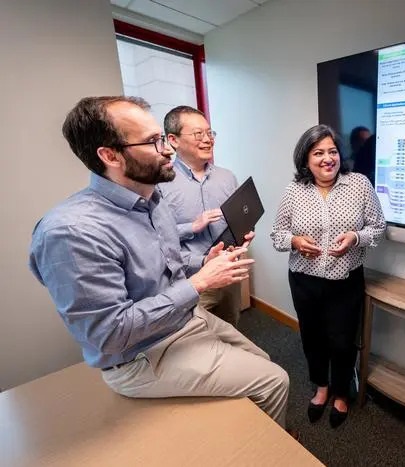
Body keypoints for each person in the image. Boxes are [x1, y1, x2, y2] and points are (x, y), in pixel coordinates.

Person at [29, 96, 290, 428]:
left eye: (163, 138)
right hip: (140, 354)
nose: (168, 150)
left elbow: (171, 261)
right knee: (275, 380)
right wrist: (200, 283)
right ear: (110, 156)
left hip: (182, 320)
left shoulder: (153, 198)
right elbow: (108, 334)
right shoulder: (72, 232)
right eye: (154, 142)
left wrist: (203, 262)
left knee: (263, 359)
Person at [270, 124, 386, 428]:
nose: (327, 158)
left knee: (343, 341)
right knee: (313, 338)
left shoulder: (359, 184)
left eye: (332, 151)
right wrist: (294, 241)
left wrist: (356, 238)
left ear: (340, 154)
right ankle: (321, 386)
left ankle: (341, 393)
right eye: (318, 152)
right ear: (306, 159)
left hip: (345, 280)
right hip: (304, 280)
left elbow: (378, 227)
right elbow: (276, 234)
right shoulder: (294, 190)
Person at [158, 105, 247, 327]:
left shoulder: (227, 177)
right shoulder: (159, 183)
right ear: (173, 140)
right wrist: (192, 227)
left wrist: (243, 234)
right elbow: (154, 238)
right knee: (194, 337)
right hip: (189, 279)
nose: (208, 139)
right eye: (199, 134)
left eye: (210, 133)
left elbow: (236, 219)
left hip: (227, 271)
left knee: (231, 328)